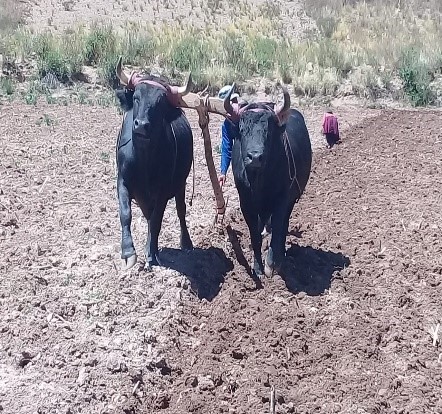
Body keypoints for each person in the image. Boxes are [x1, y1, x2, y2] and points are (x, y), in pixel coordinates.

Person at [217, 85, 240, 187]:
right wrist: (223, 172)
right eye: (232, 101)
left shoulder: (249, 116)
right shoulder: (227, 125)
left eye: (235, 100)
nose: (235, 103)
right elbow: (226, 148)